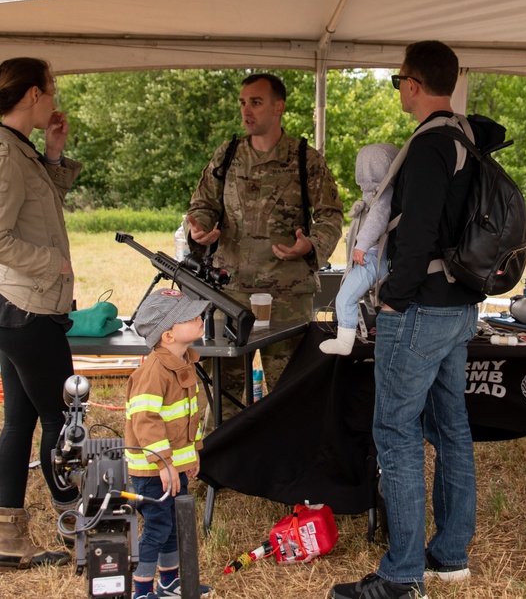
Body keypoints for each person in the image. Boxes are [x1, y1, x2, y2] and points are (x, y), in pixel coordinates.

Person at [330, 41, 491, 599]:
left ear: (414, 84)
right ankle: (449, 557)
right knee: (452, 430)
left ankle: (401, 575)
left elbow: (417, 230)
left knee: (395, 434)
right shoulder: (468, 138)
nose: (398, 89)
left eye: (399, 80)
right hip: (459, 304)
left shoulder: (426, 146)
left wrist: (393, 297)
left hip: (419, 305)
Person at [0, 57, 80, 570]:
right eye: (52, 91)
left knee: (20, 421)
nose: (55, 100)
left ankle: (8, 541)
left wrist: (55, 154)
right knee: (63, 417)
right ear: (33, 94)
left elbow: (42, 207)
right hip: (26, 307)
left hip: (19, 304)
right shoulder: (5, 155)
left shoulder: (18, 148)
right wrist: (51, 262)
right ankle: (79, 529)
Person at [185, 73, 343, 417]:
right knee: (223, 394)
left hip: (285, 298)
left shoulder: (305, 159)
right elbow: (202, 206)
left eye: (255, 102)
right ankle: (224, 467)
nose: (246, 111)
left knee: (290, 395)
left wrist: (311, 246)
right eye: (243, 103)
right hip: (229, 295)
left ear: (278, 107)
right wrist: (198, 230)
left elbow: (330, 215)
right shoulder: (226, 155)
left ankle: (287, 467)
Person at [125, 288, 213, 599]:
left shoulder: (184, 362)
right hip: (153, 471)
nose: (199, 318)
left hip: (173, 467)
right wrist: (164, 463)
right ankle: (141, 589)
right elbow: (146, 421)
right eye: (189, 317)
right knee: (158, 528)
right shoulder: (154, 371)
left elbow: (189, 416)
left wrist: (192, 455)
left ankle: (169, 582)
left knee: (175, 528)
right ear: (167, 336)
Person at [319, 142, 400, 355]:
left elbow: (376, 221)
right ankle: (373, 332)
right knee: (371, 302)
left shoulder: (383, 195)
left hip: (372, 259)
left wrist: (362, 245)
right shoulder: (381, 194)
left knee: (345, 298)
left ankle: (344, 343)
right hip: (374, 258)